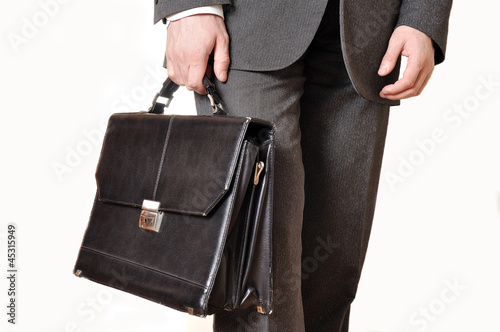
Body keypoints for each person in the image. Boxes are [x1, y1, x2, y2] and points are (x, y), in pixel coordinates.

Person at [154, 1, 453, 331]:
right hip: (244, 27)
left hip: (368, 35)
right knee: (260, 277)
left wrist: (422, 16)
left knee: (330, 276)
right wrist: (189, 6)